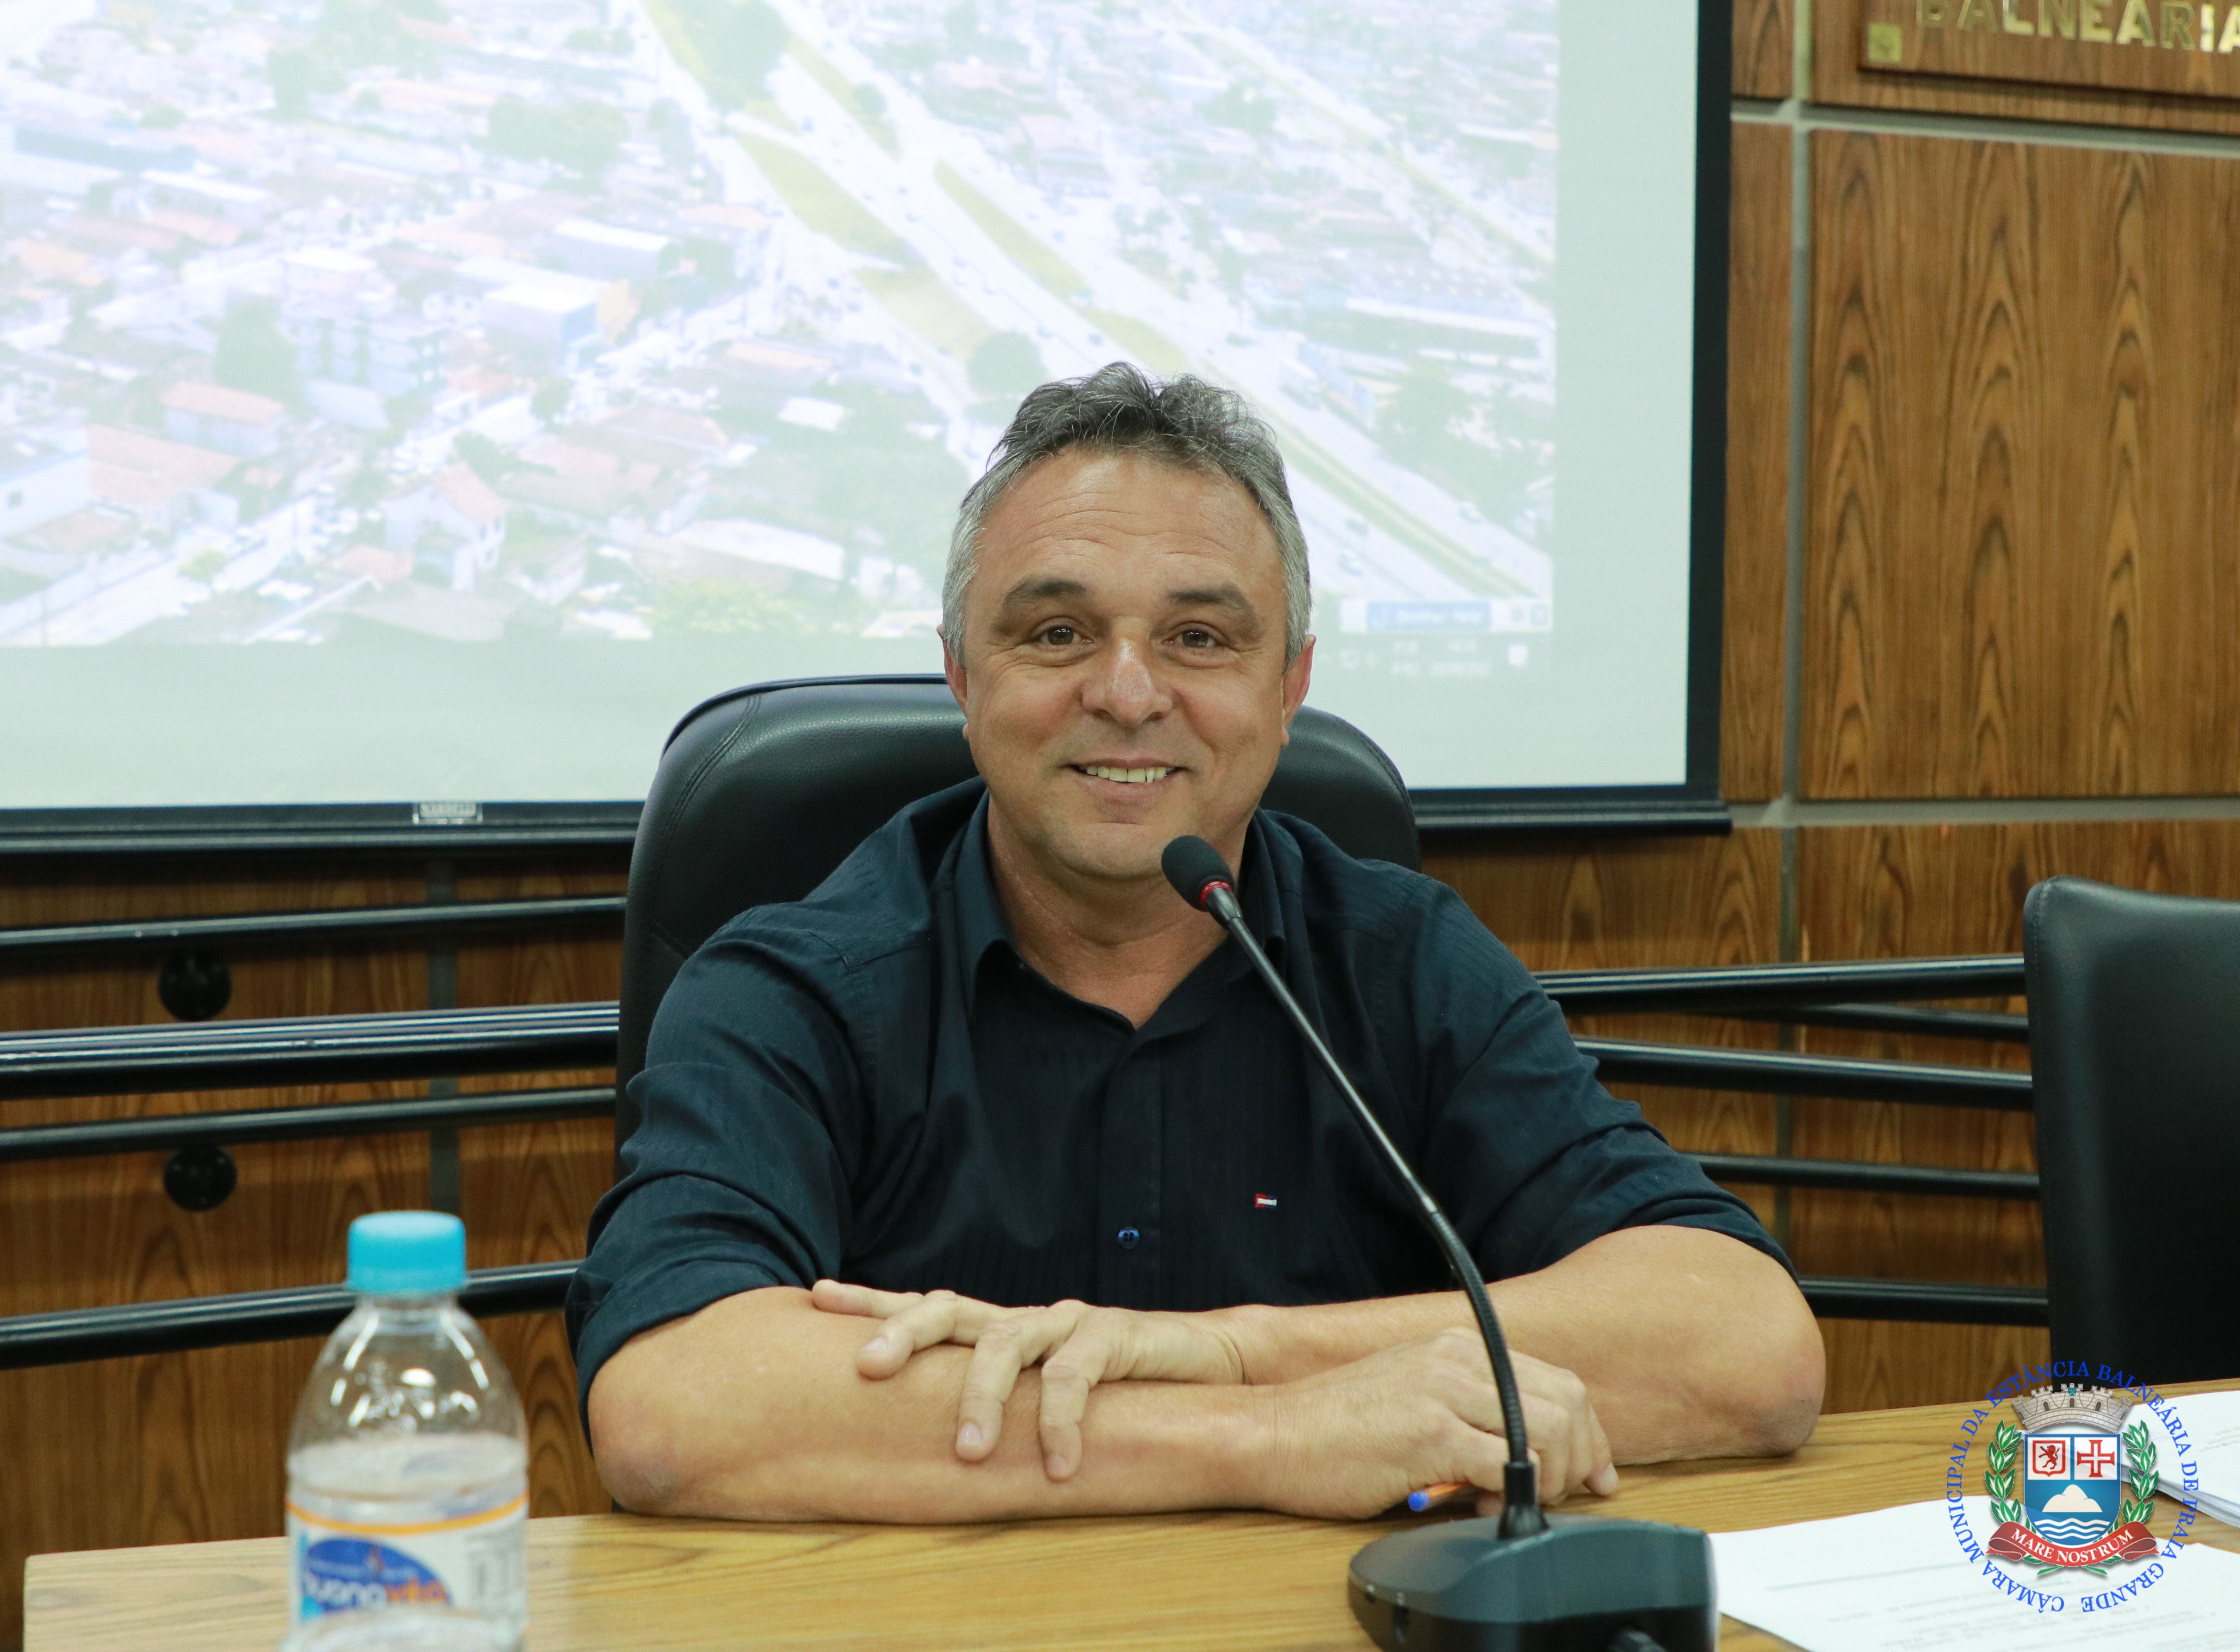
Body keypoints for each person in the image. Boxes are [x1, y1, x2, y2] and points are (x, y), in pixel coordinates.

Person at [567, 364, 1823, 1524]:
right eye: (1056, 633)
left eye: (1201, 639)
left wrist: (1232, 1348)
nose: (1126, 691)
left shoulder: (1402, 960)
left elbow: (1745, 1349)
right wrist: (1267, 1434)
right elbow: (679, 1407)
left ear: (1291, 688)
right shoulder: (791, 987)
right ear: (960, 676)